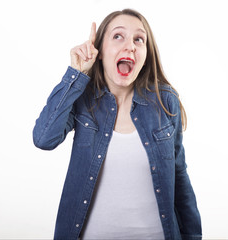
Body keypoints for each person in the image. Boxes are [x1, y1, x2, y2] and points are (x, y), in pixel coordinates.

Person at [33, 9, 202, 240]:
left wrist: (193, 236)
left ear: (145, 54)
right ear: (100, 51)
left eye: (138, 39)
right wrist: (75, 74)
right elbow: (44, 138)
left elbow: (179, 177)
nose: (130, 46)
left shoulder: (165, 102)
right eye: (118, 36)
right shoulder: (83, 98)